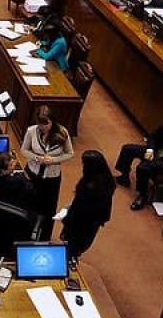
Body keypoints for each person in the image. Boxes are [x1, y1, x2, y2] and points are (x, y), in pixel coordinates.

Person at [21, 106, 74, 237]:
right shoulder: (31, 131)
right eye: (40, 123)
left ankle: (45, 236)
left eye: (46, 123)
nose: (43, 127)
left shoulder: (63, 132)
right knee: (29, 204)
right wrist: (37, 158)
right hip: (32, 174)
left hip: (52, 177)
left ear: (52, 121)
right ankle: (25, 233)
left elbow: (69, 153)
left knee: (48, 208)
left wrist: (54, 160)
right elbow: (24, 150)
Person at [61, 150, 116, 260]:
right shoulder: (107, 180)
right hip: (92, 223)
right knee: (76, 248)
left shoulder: (90, 187)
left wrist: (68, 217)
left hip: (81, 223)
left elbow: (80, 212)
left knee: (72, 247)